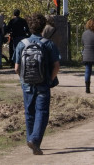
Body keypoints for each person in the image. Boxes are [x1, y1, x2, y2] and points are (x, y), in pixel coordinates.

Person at [14, 13, 60, 156]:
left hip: (27, 83)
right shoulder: (48, 44)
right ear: (43, 27)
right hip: (43, 83)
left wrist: (24, 79)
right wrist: (50, 79)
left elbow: (16, 68)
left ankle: (30, 139)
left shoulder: (22, 44)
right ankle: (35, 140)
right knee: (42, 112)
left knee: (29, 112)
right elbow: (56, 66)